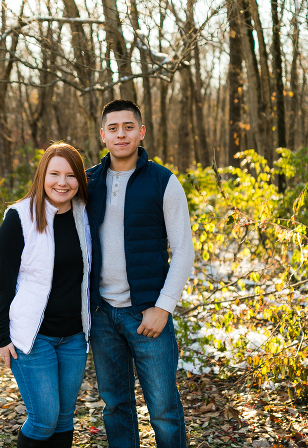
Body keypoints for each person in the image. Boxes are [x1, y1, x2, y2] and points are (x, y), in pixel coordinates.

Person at [86, 100, 195, 448]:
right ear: (103, 135)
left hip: (148, 313)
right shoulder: (88, 183)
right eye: (114, 128)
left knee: (163, 409)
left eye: (128, 127)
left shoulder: (164, 182)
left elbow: (183, 250)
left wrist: (163, 307)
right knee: (115, 407)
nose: (121, 134)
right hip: (103, 315)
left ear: (141, 132)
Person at [0, 143, 92, 448]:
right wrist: (1, 336)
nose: (62, 182)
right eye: (55, 174)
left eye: (71, 175)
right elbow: (3, 282)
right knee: (43, 418)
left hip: (75, 337)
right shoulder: (19, 218)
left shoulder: (85, 217)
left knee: (64, 418)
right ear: (42, 175)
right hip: (34, 337)